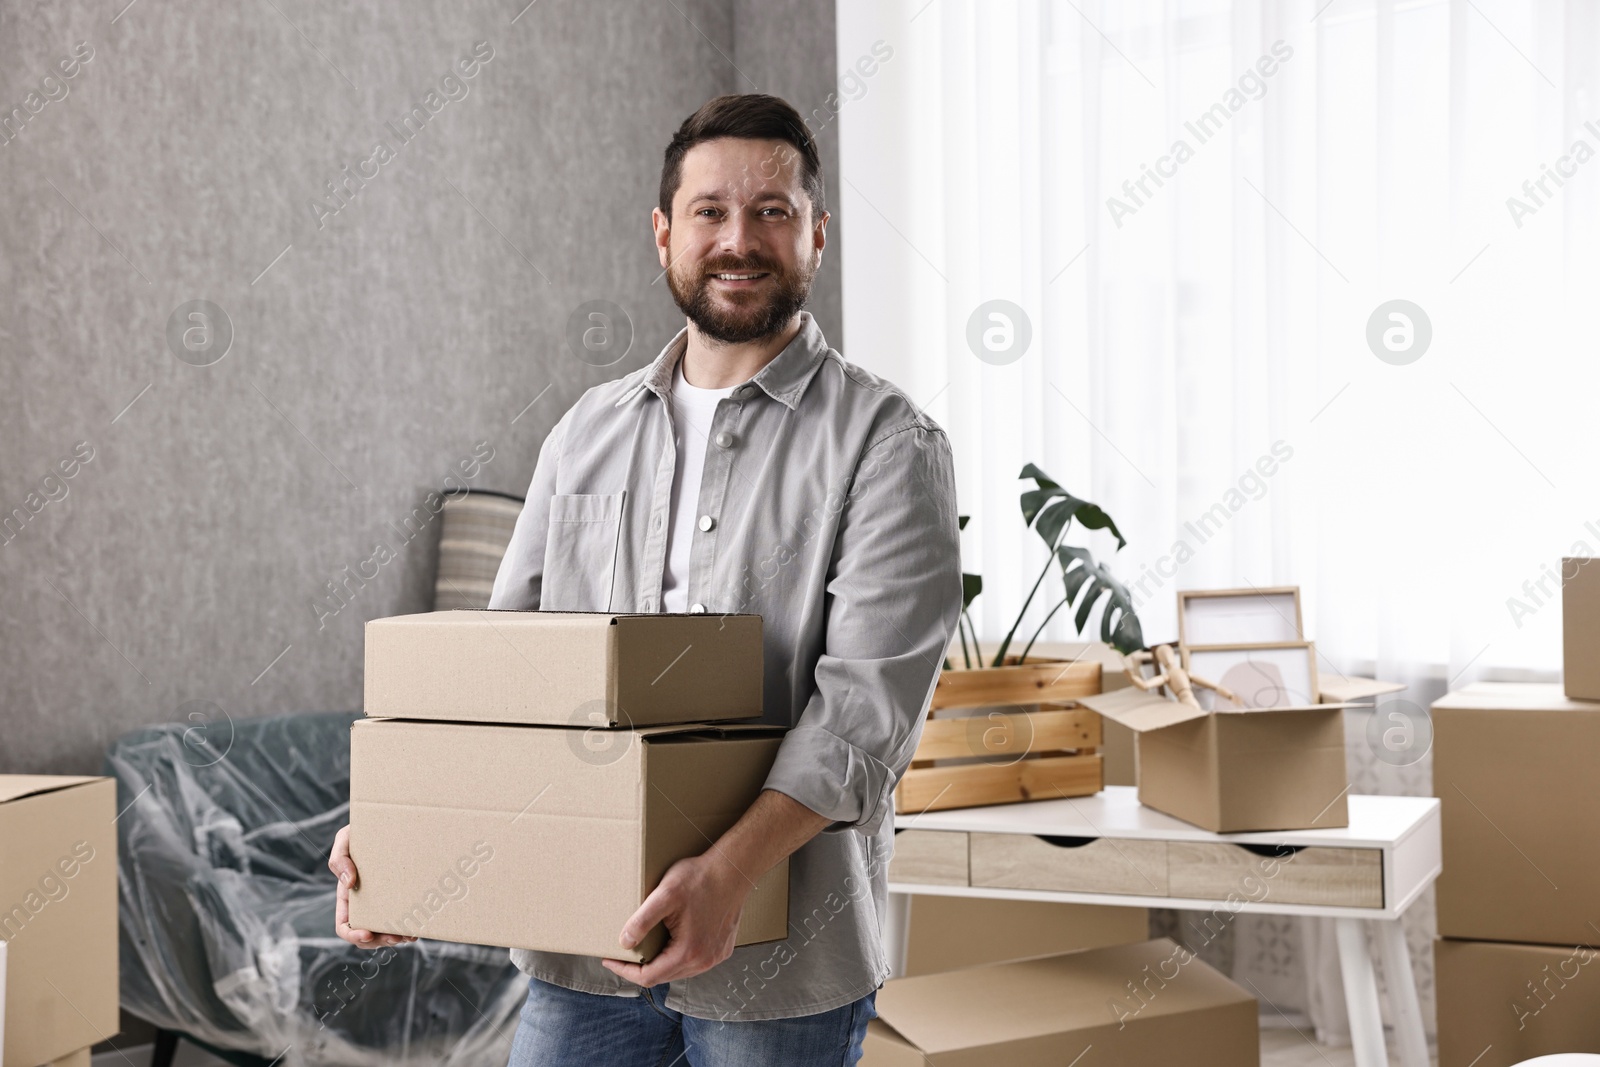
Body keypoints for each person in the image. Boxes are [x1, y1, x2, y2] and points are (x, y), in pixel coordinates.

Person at [327, 92, 962, 1067]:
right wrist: (404, 838)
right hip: (587, 950)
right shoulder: (585, 430)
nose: (737, 239)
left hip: (779, 963)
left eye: (772, 211)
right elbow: (503, 681)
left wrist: (725, 873)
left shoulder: (887, 443)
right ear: (664, 233)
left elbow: (863, 716)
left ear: (817, 236)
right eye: (709, 211)